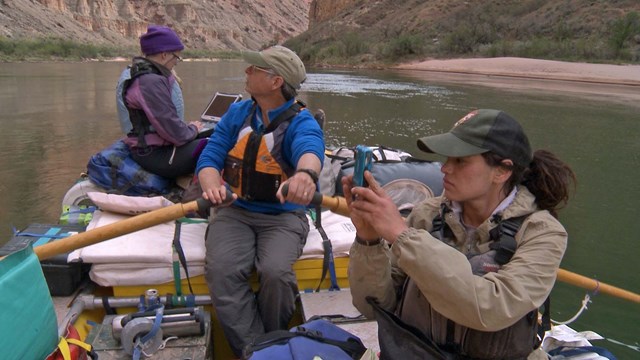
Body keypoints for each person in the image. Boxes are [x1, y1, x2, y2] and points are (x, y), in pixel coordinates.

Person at [343, 109, 576, 359]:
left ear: (502, 171)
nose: (445, 168)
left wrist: (401, 235)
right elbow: (373, 305)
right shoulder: (427, 215)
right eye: (446, 158)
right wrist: (368, 240)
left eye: (460, 160)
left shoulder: (543, 233)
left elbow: (491, 308)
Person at [196, 45, 324, 356]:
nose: (247, 72)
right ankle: (257, 352)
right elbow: (210, 156)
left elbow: (311, 150)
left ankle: (273, 342)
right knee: (223, 271)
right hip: (234, 211)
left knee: (276, 273)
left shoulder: (301, 122)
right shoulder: (238, 113)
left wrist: (305, 176)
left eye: (254, 69)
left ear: (276, 81)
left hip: (283, 217)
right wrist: (212, 186)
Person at [117, 25, 205, 179]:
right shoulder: (150, 82)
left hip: (152, 149)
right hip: (155, 155)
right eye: (176, 57)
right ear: (164, 55)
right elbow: (174, 132)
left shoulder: (145, 76)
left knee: (219, 133)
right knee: (216, 145)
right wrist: (193, 129)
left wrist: (191, 129)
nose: (176, 63)